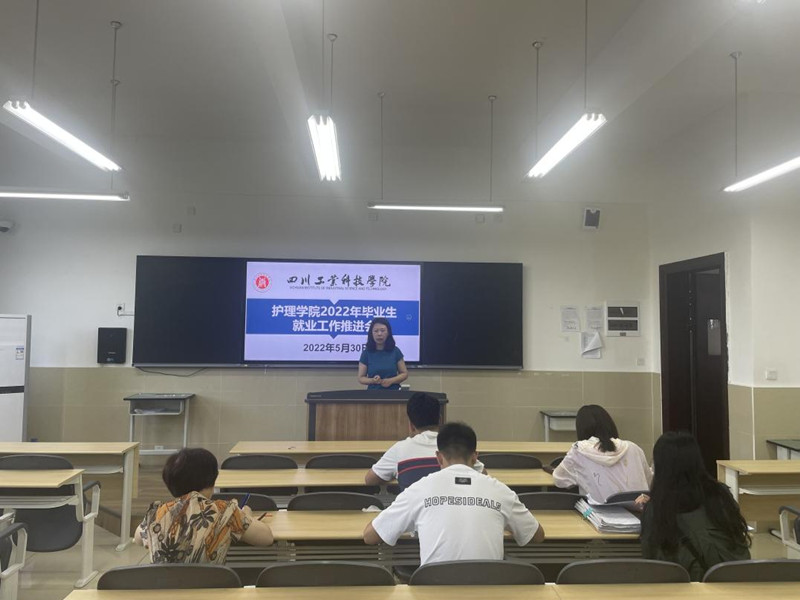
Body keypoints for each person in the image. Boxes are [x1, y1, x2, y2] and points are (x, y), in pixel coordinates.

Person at [363, 422, 544, 565]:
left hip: (433, 590)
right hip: (487, 591)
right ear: (475, 457)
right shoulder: (500, 491)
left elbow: (370, 536)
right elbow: (537, 535)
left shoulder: (419, 489)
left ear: (438, 457)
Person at [639, 431, 750, 580]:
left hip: (683, 585)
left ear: (660, 466)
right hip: (733, 579)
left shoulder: (658, 507)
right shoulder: (720, 494)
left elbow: (651, 559)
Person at [134, 447, 273, 563]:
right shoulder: (226, 511)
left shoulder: (156, 513)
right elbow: (266, 538)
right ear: (211, 481)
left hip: (163, 587)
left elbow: (138, 538)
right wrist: (245, 515)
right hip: (212, 587)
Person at [551, 404, 652, 504]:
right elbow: (649, 482)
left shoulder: (579, 451)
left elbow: (559, 480)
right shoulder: (633, 448)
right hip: (641, 511)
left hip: (601, 513)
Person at [364, 392, 443, 491]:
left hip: (412, 501)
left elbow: (370, 480)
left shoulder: (400, 449)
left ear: (411, 425)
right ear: (440, 420)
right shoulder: (455, 448)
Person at [357, 317, 408, 390]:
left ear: (388, 332)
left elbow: (404, 374)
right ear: (371, 333)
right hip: (373, 393)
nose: (379, 334)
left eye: (382, 330)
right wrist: (373, 380)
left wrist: (391, 381)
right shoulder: (366, 353)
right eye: (376, 331)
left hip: (393, 392)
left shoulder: (395, 351)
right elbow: (361, 378)